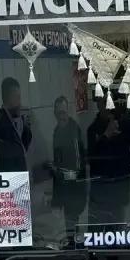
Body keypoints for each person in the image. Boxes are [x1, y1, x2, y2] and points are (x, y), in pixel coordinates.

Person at [50, 96, 86, 241]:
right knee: (69, 221)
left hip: (74, 186)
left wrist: (70, 175)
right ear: (55, 114)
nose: (61, 116)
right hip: (64, 185)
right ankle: (73, 243)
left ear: (68, 112)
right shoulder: (57, 131)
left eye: (63, 112)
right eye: (59, 113)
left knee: (72, 220)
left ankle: (74, 244)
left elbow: (78, 162)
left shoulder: (73, 130)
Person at [0, 77, 32, 173]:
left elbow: (24, 146)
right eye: (17, 97)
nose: (19, 102)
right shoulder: (2, 122)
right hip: (12, 175)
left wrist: (25, 127)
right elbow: (15, 151)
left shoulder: (14, 118)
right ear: (8, 98)